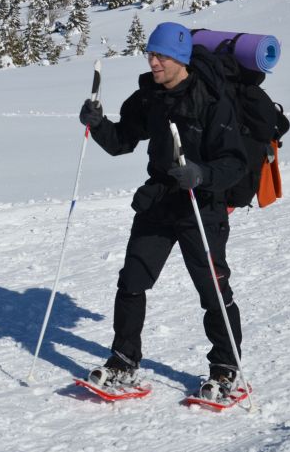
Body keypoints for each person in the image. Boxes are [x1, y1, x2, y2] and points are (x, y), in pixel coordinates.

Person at [78, 22, 248, 400]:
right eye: (150, 54)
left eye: (161, 56)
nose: (153, 62)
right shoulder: (148, 97)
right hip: (159, 200)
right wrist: (98, 124)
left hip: (201, 205)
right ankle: (123, 361)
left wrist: (201, 174)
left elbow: (236, 162)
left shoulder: (212, 99)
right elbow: (123, 141)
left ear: (180, 58)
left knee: (213, 291)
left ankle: (225, 369)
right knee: (132, 280)